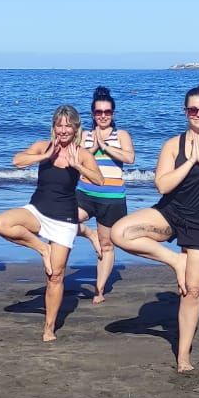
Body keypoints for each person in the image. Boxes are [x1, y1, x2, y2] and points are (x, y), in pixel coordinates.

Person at [110, 86, 199, 372]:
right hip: (170, 213)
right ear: (185, 112)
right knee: (119, 233)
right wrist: (190, 161)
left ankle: (183, 357)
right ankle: (175, 260)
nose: (198, 114)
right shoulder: (173, 145)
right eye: (193, 110)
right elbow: (162, 185)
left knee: (191, 291)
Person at [0, 105, 104, 343]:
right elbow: (17, 160)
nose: (63, 130)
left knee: (55, 275)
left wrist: (78, 166)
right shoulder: (44, 146)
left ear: (76, 128)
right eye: (59, 125)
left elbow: (99, 180)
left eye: (68, 126)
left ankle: (49, 327)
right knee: (1, 223)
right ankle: (42, 249)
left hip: (64, 219)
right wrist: (43, 157)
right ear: (54, 127)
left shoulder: (81, 153)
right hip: (37, 210)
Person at [76, 86, 135, 304]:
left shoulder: (121, 135)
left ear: (113, 113)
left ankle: (99, 290)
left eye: (107, 112)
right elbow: (76, 160)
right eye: (99, 112)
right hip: (84, 193)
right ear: (93, 114)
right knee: (65, 222)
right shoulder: (84, 135)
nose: (103, 116)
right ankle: (89, 233)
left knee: (107, 244)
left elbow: (129, 158)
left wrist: (106, 147)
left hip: (112, 198)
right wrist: (94, 148)